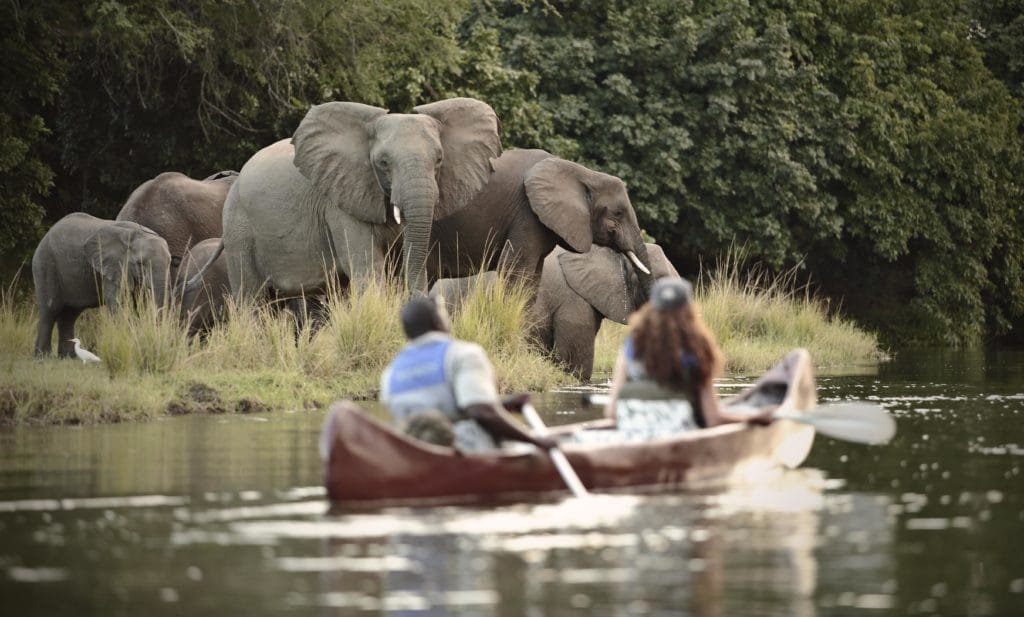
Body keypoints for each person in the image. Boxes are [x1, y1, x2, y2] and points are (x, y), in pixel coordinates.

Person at [594, 276, 773, 442]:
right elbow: (713, 419)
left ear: (652, 309)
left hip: (630, 438)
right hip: (678, 440)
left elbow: (611, 413)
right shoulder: (697, 348)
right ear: (689, 311)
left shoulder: (632, 346)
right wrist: (753, 417)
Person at [379, 295, 555, 453]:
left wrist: (502, 405)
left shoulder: (390, 373)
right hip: (466, 454)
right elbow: (481, 412)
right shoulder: (463, 354)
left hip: (412, 456)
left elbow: (433, 414)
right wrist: (536, 441)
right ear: (438, 322)